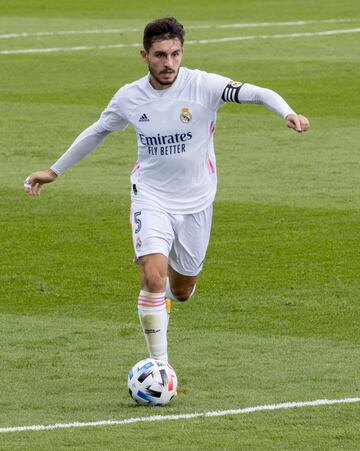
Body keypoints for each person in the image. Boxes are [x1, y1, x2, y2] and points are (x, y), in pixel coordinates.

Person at [25, 17, 310, 364]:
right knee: (152, 276)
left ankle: (169, 302)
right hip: (151, 195)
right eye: (160, 55)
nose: (169, 63)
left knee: (181, 290)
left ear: (182, 52)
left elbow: (257, 92)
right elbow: (98, 131)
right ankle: (160, 367)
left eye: (175, 54)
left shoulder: (203, 85)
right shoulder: (130, 97)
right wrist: (54, 171)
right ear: (144, 56)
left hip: (197, 201)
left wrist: (287, 112)